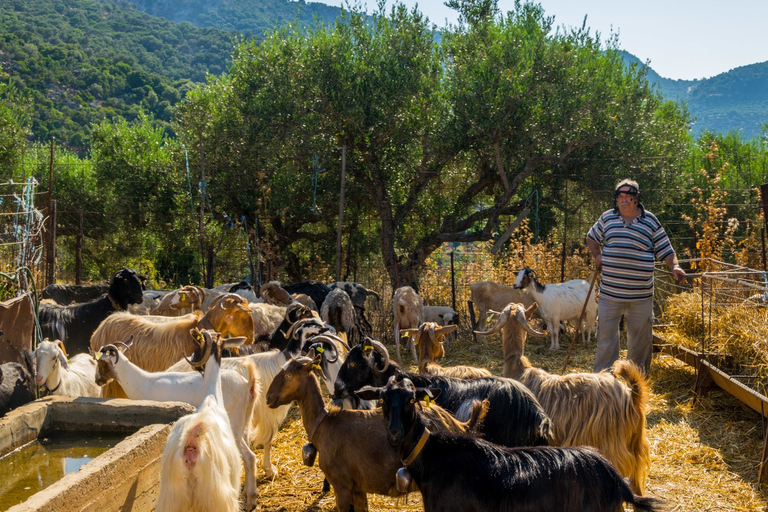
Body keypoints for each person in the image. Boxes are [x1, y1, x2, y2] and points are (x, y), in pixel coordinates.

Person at [587, 179, 686, 374]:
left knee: (640, 344)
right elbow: (592, 237)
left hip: (640, 298)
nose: (624, 200)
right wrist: (598, 255)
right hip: (610, 295)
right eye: (620, 196)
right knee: (606, 342)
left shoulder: (650, 221)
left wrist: (675, 266)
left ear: (636, 198)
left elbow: (666, 250)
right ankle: (605, 384)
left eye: (628, 196)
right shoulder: (607, 218)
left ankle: (636, 385)